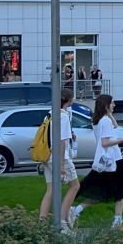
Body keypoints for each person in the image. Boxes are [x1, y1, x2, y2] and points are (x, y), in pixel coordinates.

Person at [69, 94, 123, 229]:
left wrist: (109, 113)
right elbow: (105, 142)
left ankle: (77, 211)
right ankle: (117, 221)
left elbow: (115, 125)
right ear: (106, 105)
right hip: (113, 160)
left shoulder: (98, 120)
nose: (114, 105)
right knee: (121, 189)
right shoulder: (105, 121)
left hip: (106, 161)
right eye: (112, 103)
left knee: (103, 190)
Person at [39, 88, 80, 230]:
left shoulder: (50, 114)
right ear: (70, 100)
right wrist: (62, 164)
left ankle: (42, 222)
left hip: (47, 156)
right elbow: (62, 142)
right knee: (74, 186)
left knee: (50, 189)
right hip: (59, 157)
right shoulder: (63, 116)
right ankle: (62, 221)